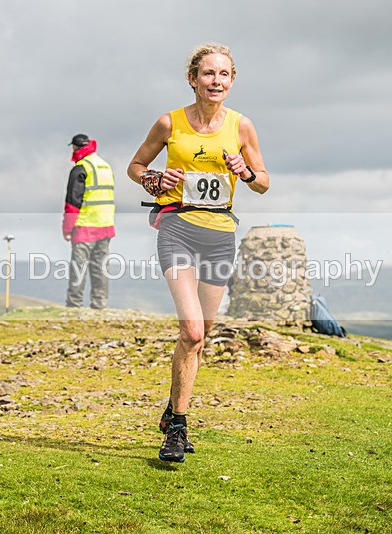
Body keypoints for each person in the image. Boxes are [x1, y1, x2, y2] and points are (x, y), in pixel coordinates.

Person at [127, 43, 269, 462]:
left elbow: (263, 181)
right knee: (191, 331)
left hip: (221, 236)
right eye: (208, 74)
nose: (216, 82)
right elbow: (135, 166)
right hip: (178, 228)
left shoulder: (242, 127)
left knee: (200, 337)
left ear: (232, 80)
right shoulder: (168, 123)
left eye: (224, 75)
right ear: (193, 79)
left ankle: (173, 409)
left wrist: (245, 172)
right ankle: (177, 430)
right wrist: (152, 179)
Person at [62, 133, 116, 309]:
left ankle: (74, 304)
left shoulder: (81, 168)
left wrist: (67, 229)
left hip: (85, 226)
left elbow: (72, 203)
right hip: (106, 225)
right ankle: (100, 304)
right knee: (100, 268)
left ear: (75, 147)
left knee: (78, 268)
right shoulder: (105, 166)